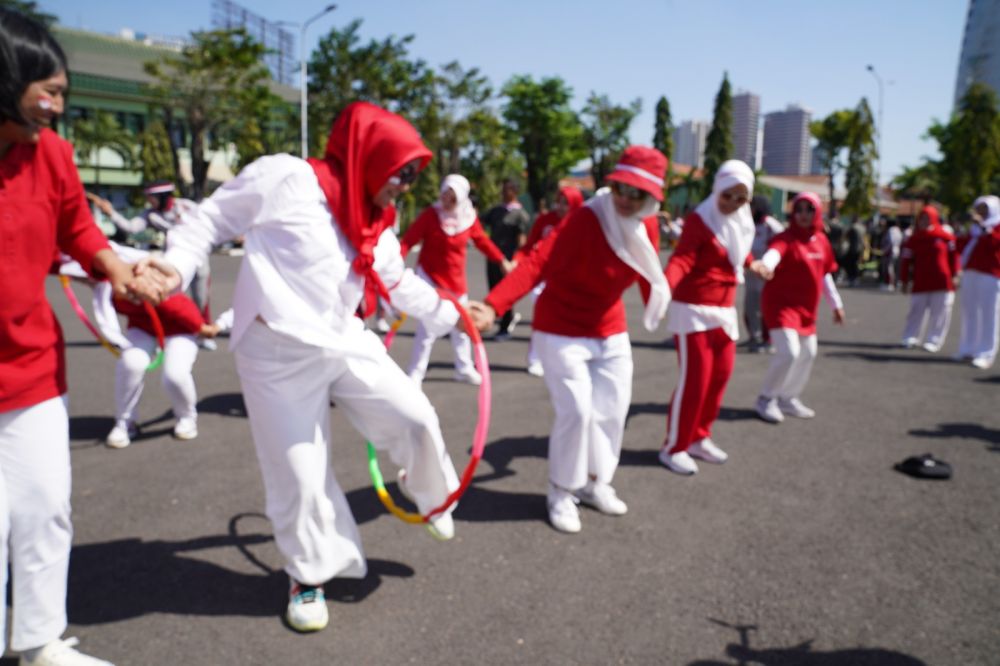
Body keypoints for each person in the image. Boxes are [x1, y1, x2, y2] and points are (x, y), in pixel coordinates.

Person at [135, 102, 463, 633]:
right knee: (300, 475)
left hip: (343, 339)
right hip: (276, 353)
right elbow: (211, 219)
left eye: (413, 175)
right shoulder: (286, 178)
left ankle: (431, 496)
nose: (406, 186)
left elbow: (397, 282)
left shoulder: (376, 219)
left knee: (416, 415)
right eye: (401, 172)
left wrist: (454, 314)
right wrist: (174, 267)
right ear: (369, 157)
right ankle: (307, 576)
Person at [0, 8, 137, 665]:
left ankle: (39, 643)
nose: (56, 107)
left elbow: (76, 227)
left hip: (30, 365)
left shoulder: (51, 153)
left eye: (62, 93)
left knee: (44, 505)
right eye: (47, 92)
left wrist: (121, 269)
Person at [470, 146, 670, 533]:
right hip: (560, 327)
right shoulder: (586, 218)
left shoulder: (646, 225)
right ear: (611, 185)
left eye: (637, 192)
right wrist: (494, 306)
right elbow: (538, 261)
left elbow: (646, 270)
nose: (626, 198)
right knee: (577, 412)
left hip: (609, 328)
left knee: (612, 410)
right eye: (621, 188)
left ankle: (596, 483)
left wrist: (659, 307)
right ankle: (561, 491)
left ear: (651, 198)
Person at [659, 160, 770, 476]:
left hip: (725, 312)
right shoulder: (700, 219)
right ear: (717, 189)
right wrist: (664, 287)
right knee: (694, 383)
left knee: (719, 379)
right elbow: (682, 259)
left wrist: (753, 264)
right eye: (727, 195)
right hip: (693, 311)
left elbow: (737, 251)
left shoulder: (740, 221)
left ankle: (699, 437)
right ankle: (674, 447)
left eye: (741, 198)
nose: (732, 203)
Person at [399, 174, 511, 386]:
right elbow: (408, 240)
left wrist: (502, 260)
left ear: (461, 198)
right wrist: (393, 264)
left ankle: (464, 368)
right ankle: (416, 373)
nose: (447, 200)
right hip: (430, 280)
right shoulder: (431, 215)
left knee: (462, 329)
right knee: (427, 329)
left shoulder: (468, 218)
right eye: (445, 194)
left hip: (456, 282)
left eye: (452, 197)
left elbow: (483, 242)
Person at [753, 193, 845, 424]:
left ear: (818, 213)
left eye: (809, 209)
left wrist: (836, 305)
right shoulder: (785, 238)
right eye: (799, 209)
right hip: (780, 306)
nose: (803, 214)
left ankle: (787, 397)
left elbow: (825, 275)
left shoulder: (821, 241)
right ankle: (766, 398)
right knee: (789, 352)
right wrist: (766, 265)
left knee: (808, 353)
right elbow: (774, 253)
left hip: (806, 310)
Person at [91, 183, 214, 345]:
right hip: (170, 262)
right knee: (171, 299)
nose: (150, 201)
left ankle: (203, 332)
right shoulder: (150, 215)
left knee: (201, 298)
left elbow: (209, 222)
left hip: (196, 258)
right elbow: (131, 227)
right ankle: (168, 332)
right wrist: (111, 213)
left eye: (152, 198)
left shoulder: (186, 206)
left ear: (164, 196)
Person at [104, 292, 219, 448]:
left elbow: (175, 302)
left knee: (175, 375)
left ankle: (186, 416)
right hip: (143, 326)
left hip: (181, 327)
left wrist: (200, 327)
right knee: (130, 363)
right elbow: (112, 298)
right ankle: (125, 420)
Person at [515, 185, 584, 376]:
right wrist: (517, 260)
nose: (560, 207)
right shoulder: (545, 220)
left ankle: (562, 359)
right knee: (543, 320)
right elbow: (529, 246)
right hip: (543, 281)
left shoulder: (583, 223)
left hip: (571, 282)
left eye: (566, 203)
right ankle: (535, 359)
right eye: (559, 202)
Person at [898, 205, 959, 353]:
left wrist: (955, 275)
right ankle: (910, 336)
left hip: (942, 281)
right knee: (916, 311)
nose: (924, 221)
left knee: (940, 313)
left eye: (927, 218)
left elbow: (954, 257)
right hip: (921, 281)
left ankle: (934, 340)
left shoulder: (945, 237)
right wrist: (904, 280)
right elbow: (906, 261)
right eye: (921, 218)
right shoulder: (913, 239)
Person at [481, 178, 531, 339]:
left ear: (515, 192)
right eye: (503, 189)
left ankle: (505, 325)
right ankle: (496, 319)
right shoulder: (496, 210)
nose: (504, 192)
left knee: (506, 292)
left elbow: (522, 241)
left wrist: (516, 260)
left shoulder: (520, 215)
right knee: (493, 291)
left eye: (507, 189)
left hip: (508, 260)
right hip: (493, 258)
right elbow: (480, 222)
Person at [956, 195, 1000, 368]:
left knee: (989, 315)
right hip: (970, 272)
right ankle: (968, 348)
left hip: (991, 274)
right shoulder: (974, 229)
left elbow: (995, 244)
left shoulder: (995, 227)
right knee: (969, 312)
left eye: (985, 209)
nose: (981, 212)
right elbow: (961, 247)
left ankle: (986, 353)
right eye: (979, 208)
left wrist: (983, 228)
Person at [744, 195, 784, 352]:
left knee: (765, 307)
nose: (750, 209)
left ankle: (769, 340)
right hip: (750, 270)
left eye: (753, 206)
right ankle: (754, 336)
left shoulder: (770, 224)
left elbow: (783, 241)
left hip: (766, 272)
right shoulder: (747, 222)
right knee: (750, 307)